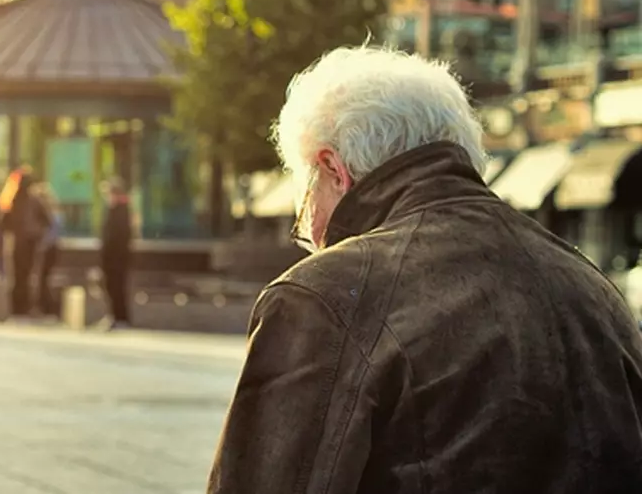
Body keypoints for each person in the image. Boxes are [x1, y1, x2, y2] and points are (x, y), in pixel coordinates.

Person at [207, 46, 642, 493]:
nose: (312, 239)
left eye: (304, 213)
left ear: (333, 169)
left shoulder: (324, 296)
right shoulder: (594, 288)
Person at [0, 166, 52, 320]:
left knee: (17, 276)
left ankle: (17, 308)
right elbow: (47, 220)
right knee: (27, 275)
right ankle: (24, 307)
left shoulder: (10, 199)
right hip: (28, 241)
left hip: (17, 241)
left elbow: (1, 222)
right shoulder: (32, 200)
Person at [99, 177, 132, 330]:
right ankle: (114, 315)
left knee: (117, 287)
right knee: (111, 287)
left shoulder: (121, 211)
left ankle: (121, 317)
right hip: (111, 257)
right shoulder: (113, 210)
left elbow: (119, 236)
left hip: (117, 257)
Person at [32, 182, 62, 320]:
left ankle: (47, 307)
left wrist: (42, 245)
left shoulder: (50, 213)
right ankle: (45, 306)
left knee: (43, 278)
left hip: (48, 248)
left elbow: (53, 232)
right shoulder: (54, 212)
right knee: (43, 278)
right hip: (50, 247)